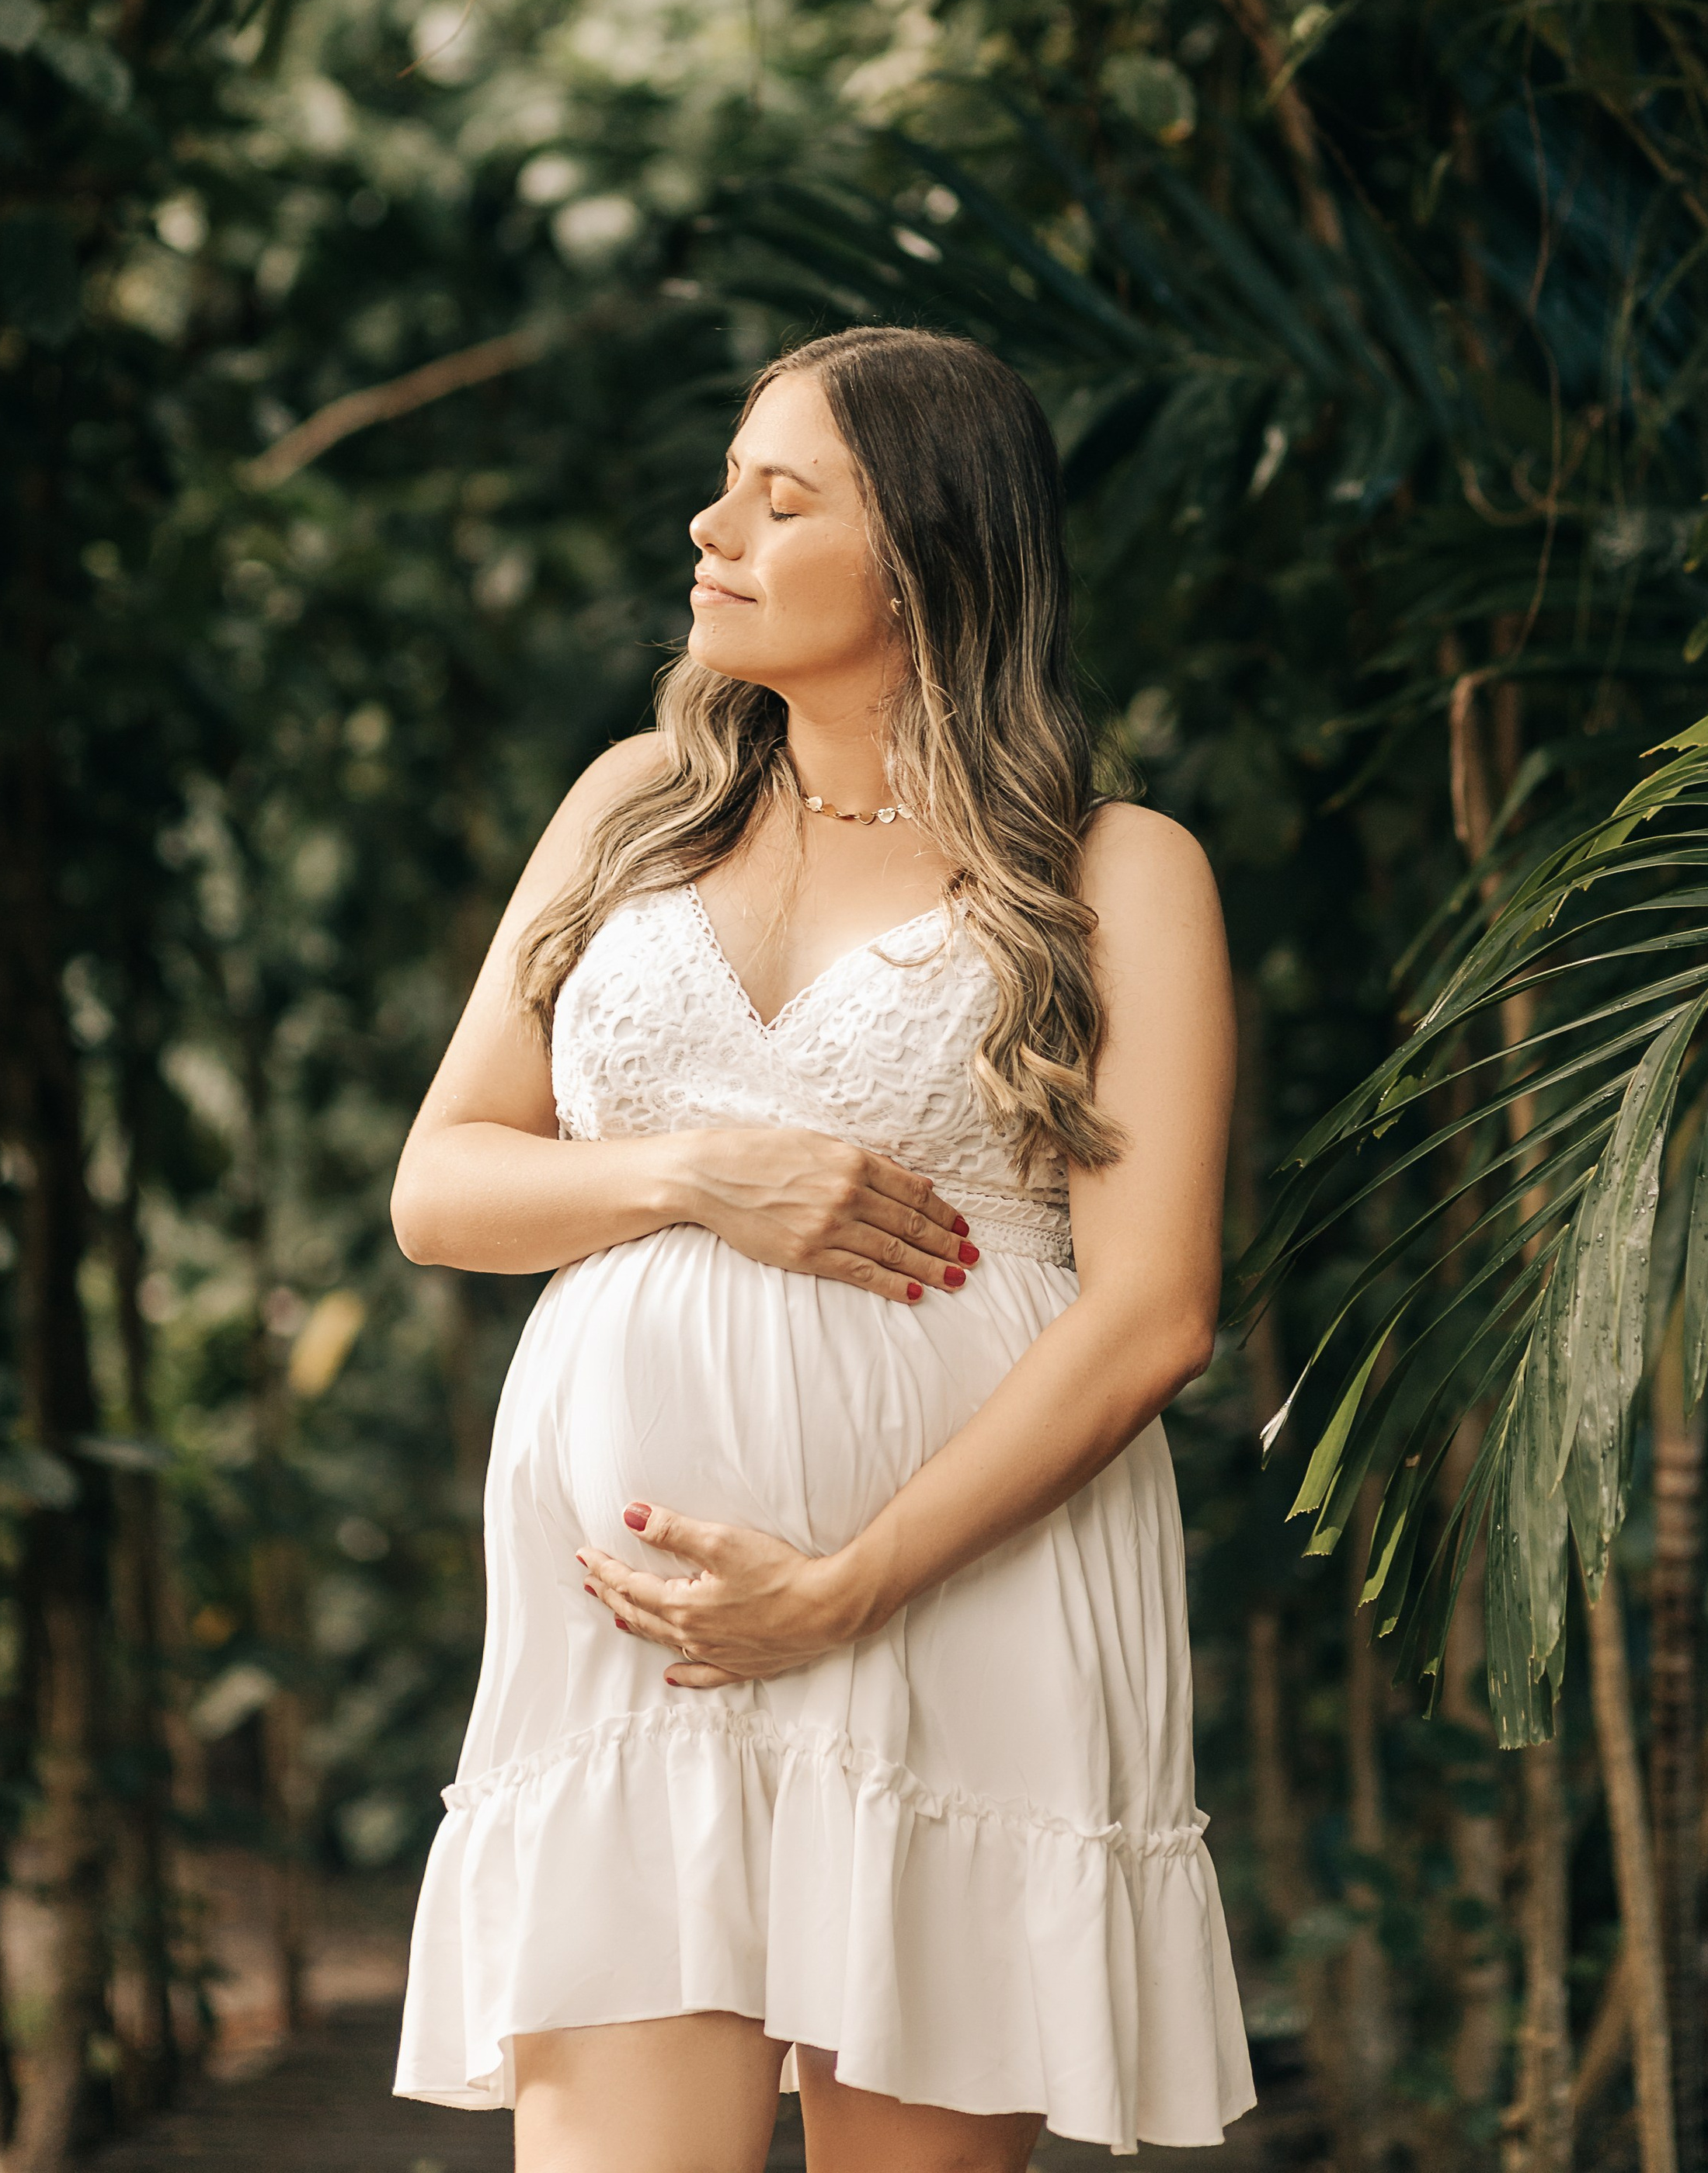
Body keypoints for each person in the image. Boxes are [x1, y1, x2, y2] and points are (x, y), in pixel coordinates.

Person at [389, 325, 1253, 2173]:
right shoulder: (635, 808)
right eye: (726, 480)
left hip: (963, 1608)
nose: (710, 529)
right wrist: (695, 1173)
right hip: (645, 1646)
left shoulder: (1113, 875)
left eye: (780, 501)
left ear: (929, 557)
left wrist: (850, 1583)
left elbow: (1153, 1314)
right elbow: (441, 1188)